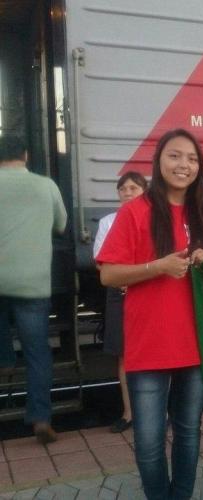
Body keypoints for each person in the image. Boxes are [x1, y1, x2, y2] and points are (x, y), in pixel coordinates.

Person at [97, 129, 203, 500]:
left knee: (188, 433)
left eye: (192, 159)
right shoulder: (135, 211)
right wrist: (158, 267)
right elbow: (109, 274)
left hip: (194, 344)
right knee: (149, 440)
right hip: (149, 344)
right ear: (159, 161)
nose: (184, 165)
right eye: (175, 156)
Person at [0, 134, 67, 445]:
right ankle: (40, 418)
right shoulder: (46, 186)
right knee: (37, 353)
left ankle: (5, 360)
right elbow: (61, 225)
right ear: (25, 155)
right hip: (33, 283)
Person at [92, 171, 148, 434]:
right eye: (123, 188)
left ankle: (161, 412)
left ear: (144, 192)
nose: (127, 192)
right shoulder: (108, 222)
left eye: (133, 188)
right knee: (125, 354)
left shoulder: (154, 220)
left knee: (152, 352)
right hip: (119, 292)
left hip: (147, 291)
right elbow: (101, 260)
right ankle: (129, 412)